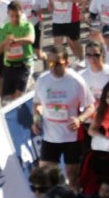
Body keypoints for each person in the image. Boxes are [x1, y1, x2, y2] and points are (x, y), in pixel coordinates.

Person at [31, 48, 93, 189]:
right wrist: (36, 120)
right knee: (45, 176)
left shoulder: (76, 81)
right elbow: (37, 104)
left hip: (71, 137)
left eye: (57, 63)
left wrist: (80, 119)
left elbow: (91, 107)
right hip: (50, 136)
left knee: (73, 178)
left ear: (66, 62)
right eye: (50, 63)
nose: (54, 67)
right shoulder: (43, 80)